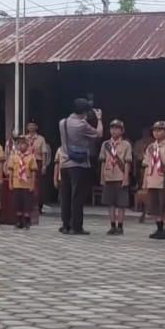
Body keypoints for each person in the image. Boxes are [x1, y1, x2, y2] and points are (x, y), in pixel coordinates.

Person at [59, 98, 102, 235]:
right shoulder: (81, 125)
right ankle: (76, 226)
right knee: (77, 197)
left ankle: (65, 224)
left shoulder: (63, 122)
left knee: (65, 195)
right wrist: (99, 119)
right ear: (84, 112)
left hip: (64, 162)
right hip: (79, 164)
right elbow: (98, 134)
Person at [141, 121, 165, 240]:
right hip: (152, 179)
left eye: (160, 130)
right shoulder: (151, 147)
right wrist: (145, 182)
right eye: (154, 130)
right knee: (155, 206)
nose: (156, 132)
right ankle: (159, 228)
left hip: (164, 179)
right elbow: (146, 165)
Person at [99, 120, 131, 236]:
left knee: (121, 204)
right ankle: (112, 226)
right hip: (108, 176)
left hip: (120, 175)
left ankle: (120, 226)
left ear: (122, 131)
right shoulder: (105, 144)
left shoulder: (126, 144)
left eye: (117, 128)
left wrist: (126, 177)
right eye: (112, 128)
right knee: (110, 203)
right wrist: (102, 177)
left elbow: (127, 162)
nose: (114, 130)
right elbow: (103, 161)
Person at [8, 135, 39, 229]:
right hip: (17, 182)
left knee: (27, 203)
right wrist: (10, 182)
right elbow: (11, 171)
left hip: (27, 183)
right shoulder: (14, 156)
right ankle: (18, 220)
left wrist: (33, 184)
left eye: (24, 144)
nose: (22, 146)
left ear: (27, 145)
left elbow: (33, 171)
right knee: (18, 202)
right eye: (20, 144)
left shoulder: (31, 157)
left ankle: (26, 220)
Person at [24, 121, 50, 211]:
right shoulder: (24, 138)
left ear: (36, 127)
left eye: (33, 126)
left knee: (38, 184)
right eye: (29, 126)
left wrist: (44, 165)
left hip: (37, 161)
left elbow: (44, 153)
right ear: (27, 127)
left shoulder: (41, 139)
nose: (31, 127)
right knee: (27, 182)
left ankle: (39, 205)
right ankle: (28, 204)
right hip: (26, 163)